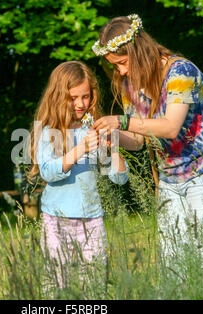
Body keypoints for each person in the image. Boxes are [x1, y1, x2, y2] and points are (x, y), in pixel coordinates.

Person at [91, 14, 203, 290]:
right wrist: (114, 136)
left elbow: (169, 127)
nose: (120, 72)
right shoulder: (129, 85)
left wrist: (119, 121)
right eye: (115, 66)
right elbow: (139, 138)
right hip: (170, 180)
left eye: (122, 63)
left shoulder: (181, 72)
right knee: (171, 264)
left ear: (138, 51)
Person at [28, 61, 129, 291]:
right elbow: (47, 171)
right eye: (73, 98)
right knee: (56, 285)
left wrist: (112, 147)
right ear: (59, 96)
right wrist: (81, 148)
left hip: (92, 219)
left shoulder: (92, 127)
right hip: (56, 220)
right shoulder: (48, 130)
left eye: (86, 96)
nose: (81, 104)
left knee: (93, 286)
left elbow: (119, 178)